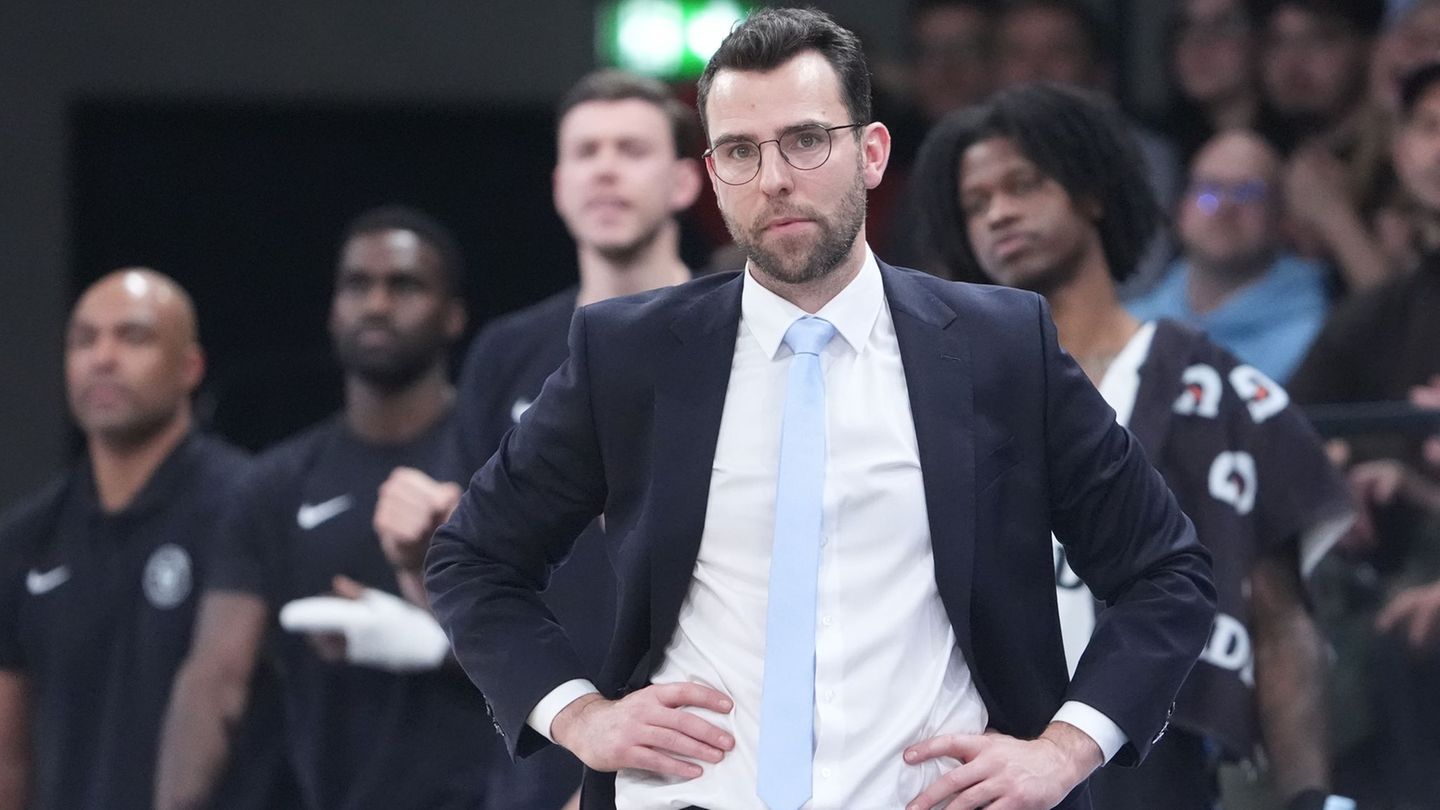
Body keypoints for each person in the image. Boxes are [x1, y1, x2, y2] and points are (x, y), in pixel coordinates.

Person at [427, 9, 1216, 810]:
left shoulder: (1000, 347)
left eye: (806, 140)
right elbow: (473, 560)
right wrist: (578, 715)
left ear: (871, 154)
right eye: (741, 150)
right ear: (711, 171)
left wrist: (1064, 749)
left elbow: (1166, 573)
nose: (774, 178)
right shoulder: (628, 354)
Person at [912, 81, 1355, 810]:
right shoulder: (945, 394)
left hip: (1156, 753)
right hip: (978, 751)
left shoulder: (1209, 384)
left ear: (1091, 191)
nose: (1000, 213)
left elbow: (1277, 613)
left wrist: (1308, 796)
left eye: (1023, 184)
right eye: (976, 202)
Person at [370, 69, 702, 809]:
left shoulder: (741, 333)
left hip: (699, 750)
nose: (606, 167)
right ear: (558, 185)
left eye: (631, 149)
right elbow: (469, 584)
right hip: (541, 754)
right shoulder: (505, 353)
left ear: (686, 182)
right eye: (586, 151)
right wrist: (409, 561)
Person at [154, 207, 500, 810]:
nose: (377, 304)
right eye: (357, 285)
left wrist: (433, 644)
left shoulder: (506, 463)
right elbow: (215, 681)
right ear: (333, 309)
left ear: (453, 315)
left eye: (405, 285)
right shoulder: (276, 483)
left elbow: (578, 647)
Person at [0, 269, 287, 810]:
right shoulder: (27, 536)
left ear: (190, 368)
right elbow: (9, 750)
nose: (103, 358)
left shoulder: (248, 506)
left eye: (132, 337)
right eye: (84, 340)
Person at [1128, 129, 1331, 383]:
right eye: (1209, 190)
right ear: (1181, 208)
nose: (1224, 207)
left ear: (1281, 216)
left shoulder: (1320, 339)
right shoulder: (1131, 327)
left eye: (1248, 193)